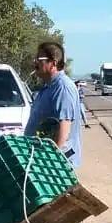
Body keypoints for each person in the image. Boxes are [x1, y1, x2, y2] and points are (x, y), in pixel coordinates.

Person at [24, 40, 84, 168]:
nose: (35, 63)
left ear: (53, 63)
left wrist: (52, 164)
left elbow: (64, 130)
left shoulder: (62, 88)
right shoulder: (48, 87)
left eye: (39, 59)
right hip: (43, 160)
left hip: (57, 166)